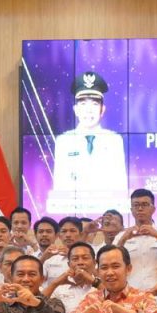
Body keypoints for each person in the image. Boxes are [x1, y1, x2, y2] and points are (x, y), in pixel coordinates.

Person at [50, 72, 128, 213]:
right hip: (73, 213)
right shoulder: (64, 141)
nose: (89, 110)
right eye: (83, 104)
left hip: (108, 213)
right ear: (76, 110)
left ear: (102, 110)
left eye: (94, 104)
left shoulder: (114, 141)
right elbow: (60, 187)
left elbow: (120, 187)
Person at [115, 189, 157, 291]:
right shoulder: (121, 236)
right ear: (131, 209)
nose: (140, 208)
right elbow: (111, 261)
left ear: (153, 209)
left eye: (145, 204)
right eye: (136, 205)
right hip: (130, 294)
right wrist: (123, 240)